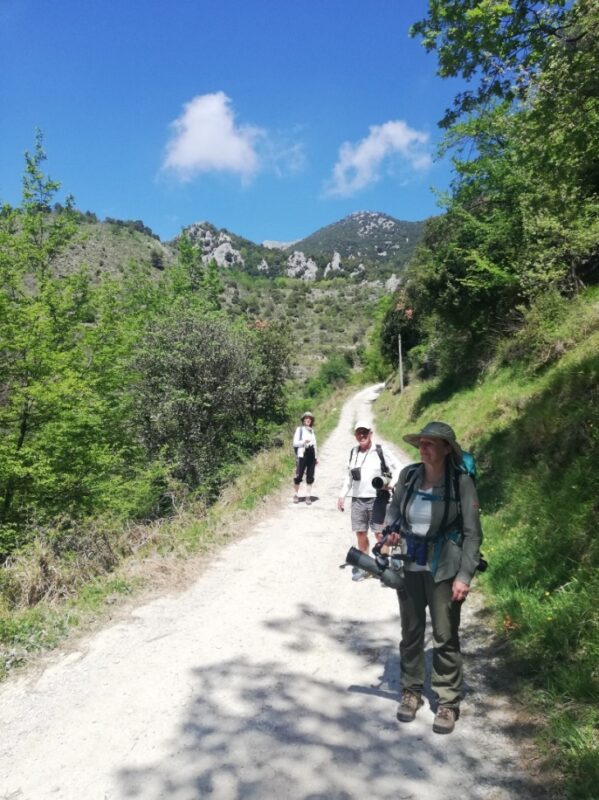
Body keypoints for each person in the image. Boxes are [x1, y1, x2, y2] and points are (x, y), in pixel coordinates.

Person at [381, 421, 482, 735]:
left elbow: (473, 534)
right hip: (410, 565)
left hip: (445, 569)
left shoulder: (460, 483)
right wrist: (390, 531)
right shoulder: (409, 476)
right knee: (410, 632)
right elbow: (394, 509)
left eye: (430, 444)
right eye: (421, 443)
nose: (422, 448)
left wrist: (464, 575)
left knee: (445, 636)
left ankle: (448, 701)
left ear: (447, 449)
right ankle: (411, 690)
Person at [337, 420, 399, 581]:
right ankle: (366, 567)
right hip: (357, 499)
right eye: (359, 432)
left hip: (378, 498)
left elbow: (399, 467)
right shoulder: (353, 452)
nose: (362, 435)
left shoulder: (380, 450)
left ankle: (384, 568)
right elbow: (349, 477)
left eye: (365, 432)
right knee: (360, 533)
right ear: (355, 435)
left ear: (371, 433)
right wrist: (342, 495)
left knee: (380, 534)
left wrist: (391, 484)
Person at [292, 412, 318, 505]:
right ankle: (295, 495)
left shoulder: (312, 431)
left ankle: (308, 496)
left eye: (310, 418)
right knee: (299, 475)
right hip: (303, 454)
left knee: (310, 475)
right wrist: (304, 441)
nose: (308, 420)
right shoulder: (299, 430)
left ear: (311, 421)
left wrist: (316, 457)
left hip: (312, 455)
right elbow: (295, 443)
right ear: (303, 420)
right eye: (306, 418)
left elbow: (315, 445)